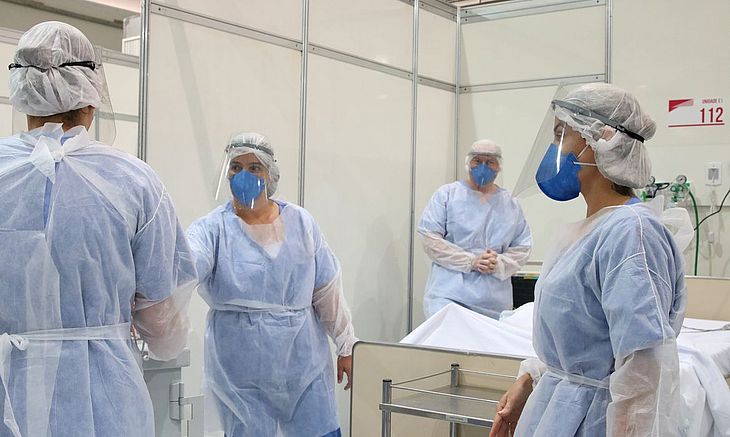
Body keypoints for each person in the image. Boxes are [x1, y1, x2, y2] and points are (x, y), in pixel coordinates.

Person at [0, 21, 196, 437]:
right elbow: (164, 329)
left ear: (22, 91)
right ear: (91, 96)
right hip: (105, 400)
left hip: (8, 399)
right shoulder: (134, 182)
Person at [491, 83, 688, 437]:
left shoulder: (631, 233)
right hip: (558, 410)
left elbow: (643, 368)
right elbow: (580, 342)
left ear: (602, 140)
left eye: (561, 135)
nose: (553, 149)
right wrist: (531, 378)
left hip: (596, 421)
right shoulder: (586, 231)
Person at [187, 132, 357, 437]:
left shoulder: (301, 223)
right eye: (236, 167)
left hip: (303, 368)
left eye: (254, 168)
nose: (244, 175)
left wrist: (346, 345)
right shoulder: (211, 230)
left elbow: (326, 290)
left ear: (270, 175)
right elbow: (185, 268)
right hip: (240, 374)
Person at [418, 139, 532, 319]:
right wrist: (471, 261)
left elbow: (523, 247)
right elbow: (430, 240)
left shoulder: (511, 204)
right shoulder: (447, 195)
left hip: (493, 303)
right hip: (449, 297)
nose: (483, 167)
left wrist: (498, 263)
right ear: (468, 163)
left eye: (490, 162)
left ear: (499, 167)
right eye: (477, 161)